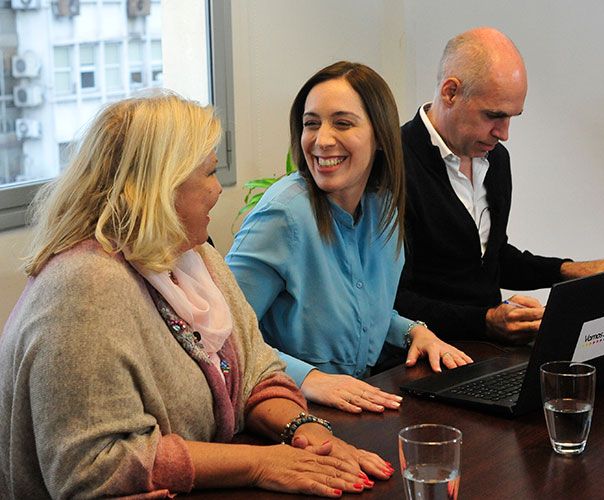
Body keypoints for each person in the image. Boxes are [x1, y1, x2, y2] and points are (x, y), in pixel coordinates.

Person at [0, 92, 393, 499]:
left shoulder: (193, 253)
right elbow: (96, 465)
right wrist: (261, 463)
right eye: (207, 173)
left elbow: (257, 372)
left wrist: (306, 430)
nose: (217, 189)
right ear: (159, 186)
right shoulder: (84, 285)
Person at [226, 61, 472, 415]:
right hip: (286, 409)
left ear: (380, 137)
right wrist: (309, 378)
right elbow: (226, 337)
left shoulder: (382, 206)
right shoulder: (284, 214)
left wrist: (414, 332)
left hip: (359, 402)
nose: (322, 140)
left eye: (342, 123)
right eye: (311, 124)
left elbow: (363, 309)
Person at [395, 27, 604, 345]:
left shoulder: (495, 160)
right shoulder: (393, 165)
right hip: (425, 356)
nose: (504, 133)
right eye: (494, 116)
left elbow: (490, 258)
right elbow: (392, 300)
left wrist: (568, 271)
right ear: (450, 92)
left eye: (512, 117)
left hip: (487, 350)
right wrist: (485, 321)